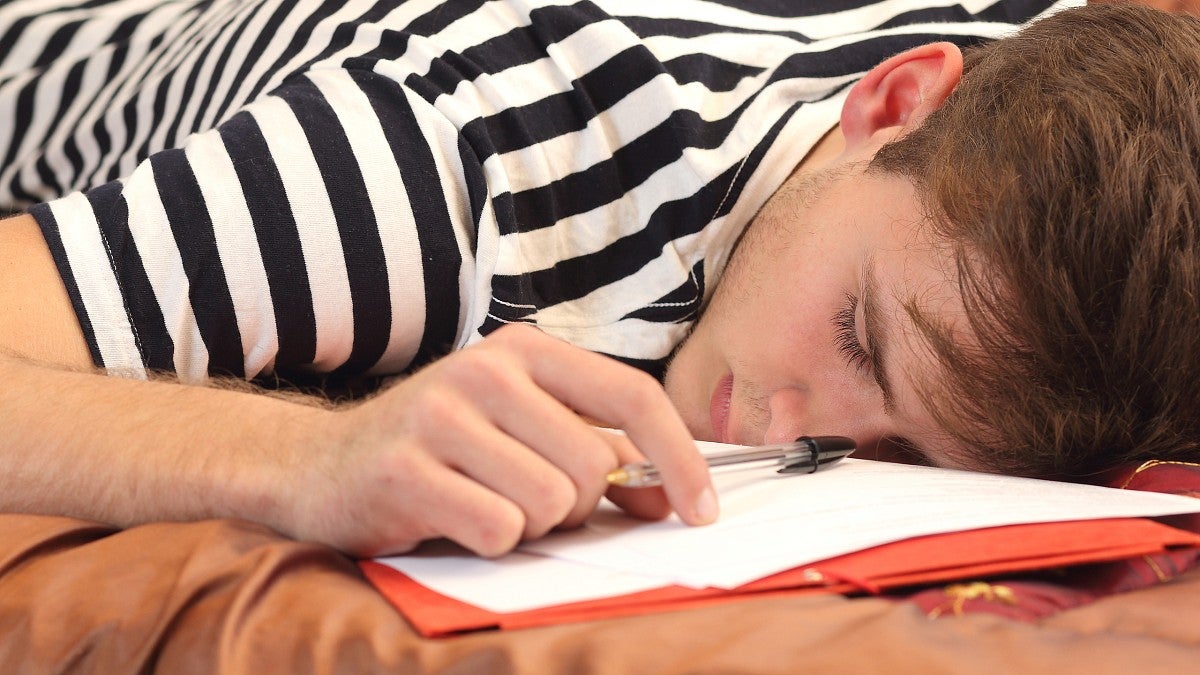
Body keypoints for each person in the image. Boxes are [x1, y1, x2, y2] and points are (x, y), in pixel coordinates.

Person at [0, 0, 1196, 559]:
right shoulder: (454, 157)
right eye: (857, 338)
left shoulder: (1074, 177)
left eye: (910, 462)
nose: (800, 439)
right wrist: (306, 461)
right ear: (891, 103)